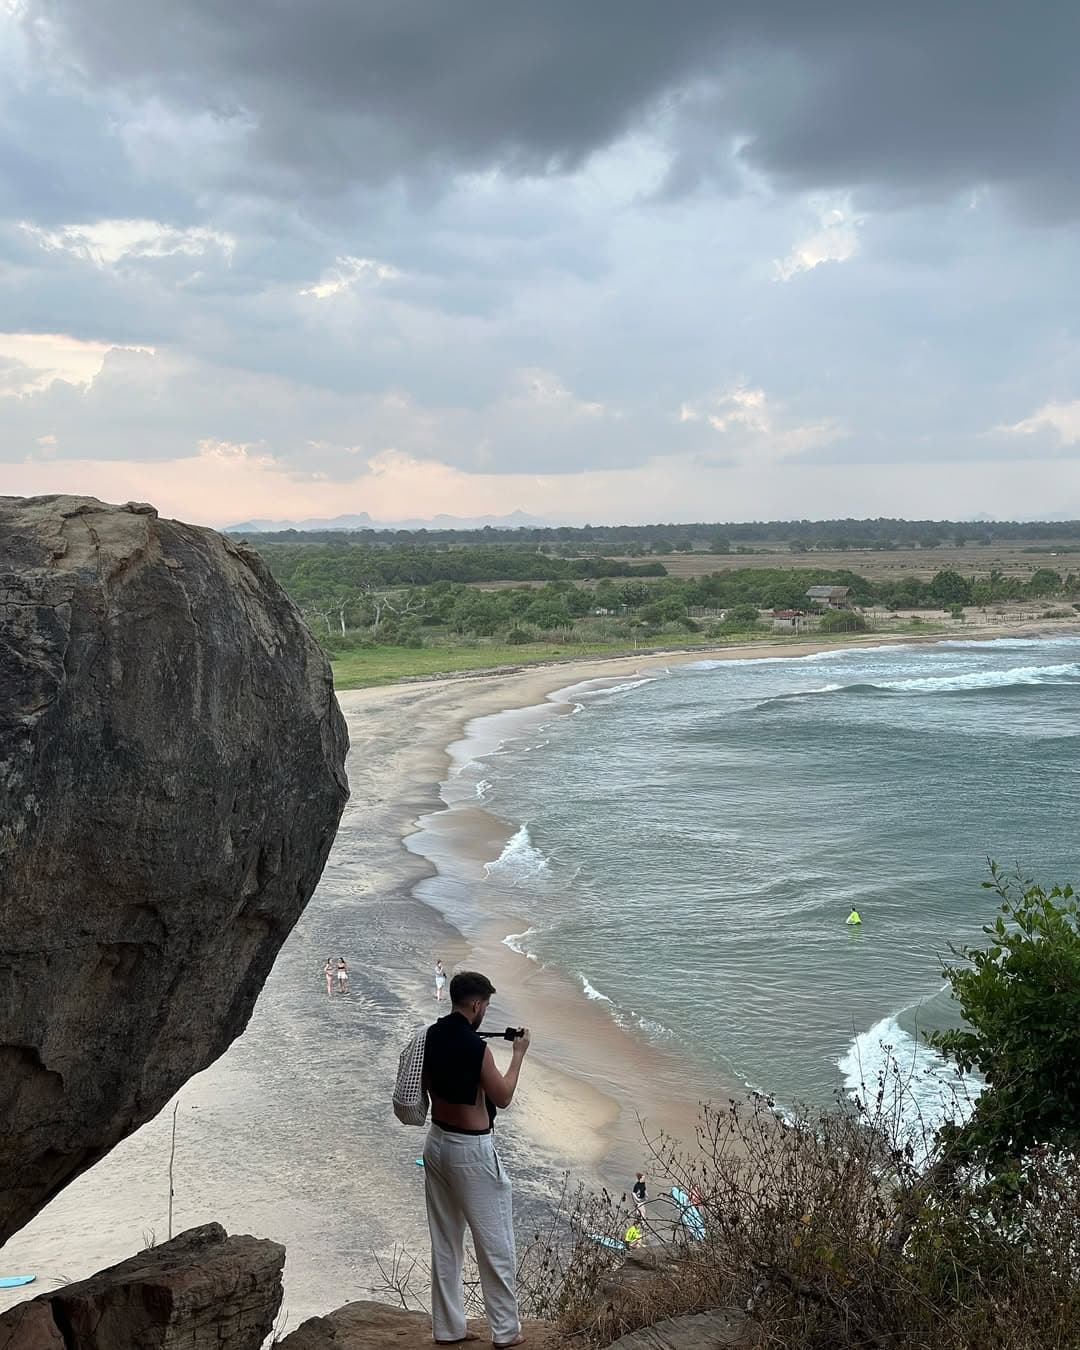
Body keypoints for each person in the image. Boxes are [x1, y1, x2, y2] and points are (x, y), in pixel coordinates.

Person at [422, 971, 530, 1349]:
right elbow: (501, 1096)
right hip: (471, 1150)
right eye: (485, 1005)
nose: (485, 1011)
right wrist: (517, 1055)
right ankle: (505, 1331)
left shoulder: (432, 1035)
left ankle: (449, 1328)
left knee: (446, 1240)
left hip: (436, 1141)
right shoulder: (476, 1047)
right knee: (496, 1242)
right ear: (476, 1004)